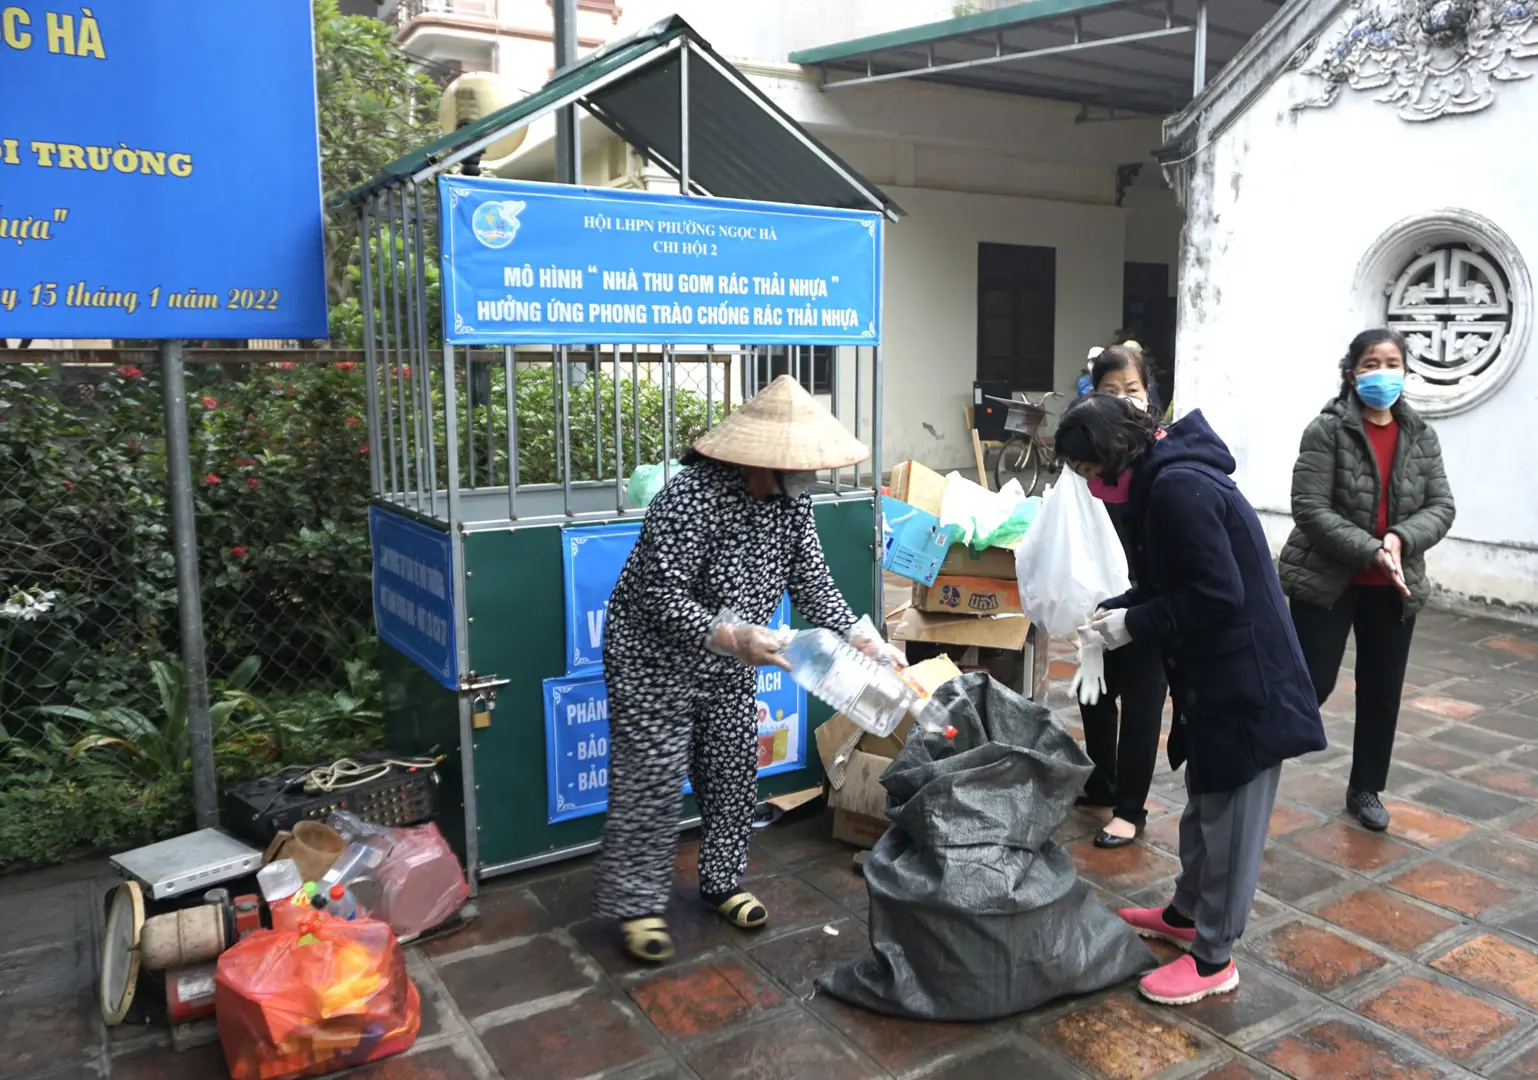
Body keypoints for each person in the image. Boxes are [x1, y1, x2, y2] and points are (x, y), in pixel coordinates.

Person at [592, 375, 898, 964]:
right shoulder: (689, 498)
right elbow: (659, 594)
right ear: (759, 460)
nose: (805, 479)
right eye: (796, 468)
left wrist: (863, 637)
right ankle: (638, 907)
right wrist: (727, 634)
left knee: (732, 769)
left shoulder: (791, 505)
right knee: (651, 778)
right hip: (653, 657)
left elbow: (812, 581)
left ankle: (722, 883)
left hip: (733, 658)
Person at [1060, 394, 1325, 1007]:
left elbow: (1215, 594)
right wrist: (1120, 611)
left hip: (1247, 682)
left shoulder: (1179, 488)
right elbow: (1164, 583)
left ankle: (1213, 959)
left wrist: (1136, 626)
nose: (1095, 487)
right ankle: (1185, 913)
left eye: (1092, 473)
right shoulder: (1160, 482)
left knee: (1231, 820)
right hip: (1213, 678)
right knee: (1205, 805)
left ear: (1116, 453)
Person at [1279, 329, 1455, 832]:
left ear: (1406, 371)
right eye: (1371, 363)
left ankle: (1366, 788)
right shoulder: (1326, 430)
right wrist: (1371, 550)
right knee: (1310, 683)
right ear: (1352, 372)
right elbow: (1309, 507)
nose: (1383, 373)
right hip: (1327, 580)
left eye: (1392, 363)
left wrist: (1400, 538)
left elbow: (1441, 505)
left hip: (1394, 588)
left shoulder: (1421, 435)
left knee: (1382, 690)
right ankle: (1254, 762)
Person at [1073, 345, 1168, 850]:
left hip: (1150, 601)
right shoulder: (1086, 458)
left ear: (1149, 396)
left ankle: (1130, 809)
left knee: (1143, 700)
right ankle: (1102, 780)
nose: (1124, 402)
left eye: (1132, 391)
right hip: (1100, 596)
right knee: (1096, 692)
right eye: (1111, 392)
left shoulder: (1159, 462)